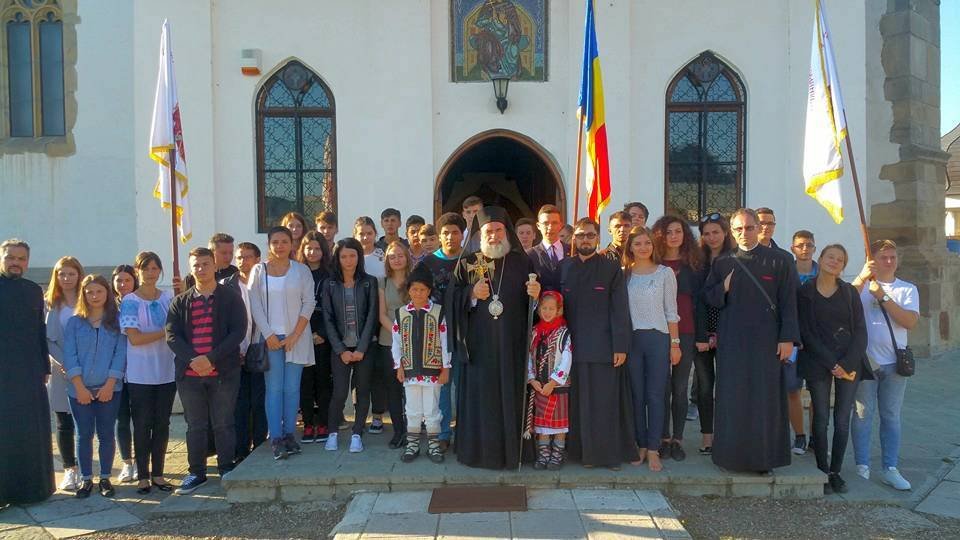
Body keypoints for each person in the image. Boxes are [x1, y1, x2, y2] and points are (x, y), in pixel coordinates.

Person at [702, 208, 799, 473]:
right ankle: (730, 458)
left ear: (758, 228)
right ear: (731, 232)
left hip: (768, 341)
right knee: (732, 398)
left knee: (764, 400)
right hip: (732, 340)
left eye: (749, 227)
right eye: (738, 229)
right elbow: (708, 297)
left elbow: (789, 302)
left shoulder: (780, 260)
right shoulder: (723, 262)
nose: (744, 233)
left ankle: (763, 460)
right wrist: (723, 288)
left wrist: (788, 338)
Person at [447, 207, 541, 469]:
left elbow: (536, 307)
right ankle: (478, 453)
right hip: (479, 347)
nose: (494, 235)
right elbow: (451, 299)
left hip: (512, 344)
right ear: (480, 234)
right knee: (482, 399)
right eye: (489, 231)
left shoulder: (522, 262)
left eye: (499, 230)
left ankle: (512, 453)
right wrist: (471, 294)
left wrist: (536, 294)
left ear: (506, 232)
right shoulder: (468, 262)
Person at [166, 247, 247, 494]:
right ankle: (196, 472)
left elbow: (238, 331)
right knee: (196, 425)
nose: (201, 269)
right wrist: (194, 359)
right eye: (196, 265)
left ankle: (226, 467)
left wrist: (210, 358)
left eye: (205, 264)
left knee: (223, 423)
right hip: (190, 376)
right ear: (191, 269)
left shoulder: (230, 297)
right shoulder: (180, 301)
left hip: (223, 372)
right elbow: (171, 335)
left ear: (214, 265)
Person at [561, 218, 636, 469]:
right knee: (578, 405)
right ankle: (581, 454)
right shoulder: (564, 267)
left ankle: (606, 456)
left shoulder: (611, 268)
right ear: (574, 238)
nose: (585, 239)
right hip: (570, 350)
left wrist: (621, 346)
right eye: (581, 235)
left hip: (604, 349)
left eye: (590, 235)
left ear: (598, 237)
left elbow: (620, 309)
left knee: (604, 404)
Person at [797, 244, 868, 494]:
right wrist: (831, 363)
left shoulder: (849, 292)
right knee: (821, 418)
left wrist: (845, 363)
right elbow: (806, 331)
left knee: (842, 419)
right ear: (821, 258)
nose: (834, 261)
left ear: (843, 266)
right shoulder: (805, 291)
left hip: (849, 363)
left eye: (840, 259)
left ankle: (835, 472)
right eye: (830, 257)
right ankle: (822, 470)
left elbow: (860, 331)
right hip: (818, 361)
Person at [850, 239, 919, 491]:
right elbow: (843, 301)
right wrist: (862, 278)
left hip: (895, 364)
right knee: (862, 415)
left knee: (891, 416)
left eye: (892, 257)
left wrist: (882, 296)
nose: (889, 261)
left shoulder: (907, 289)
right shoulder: (862, 286)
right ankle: (862, 466)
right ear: (873, 260)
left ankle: (890, 468)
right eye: (883, 257)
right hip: (866, 362)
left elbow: (909, 321)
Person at [248, 226, 317, 460]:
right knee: (274, 388)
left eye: (284, 242)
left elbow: (309, 302)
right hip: (270, 339)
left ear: (291, 244)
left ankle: (289, 435)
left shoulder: (301, 271)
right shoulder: (259, 270)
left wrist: (295, 335)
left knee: (292, 388)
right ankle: (276, 438)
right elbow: (254, 303)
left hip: (296, 337)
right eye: (275, 242)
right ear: (269, 244)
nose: (280, 246)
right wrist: (268, 334)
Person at [0, 239, 55, 505]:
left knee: (30, 432)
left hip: (30, 372)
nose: (16, 263)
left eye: (21, 259)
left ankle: (32, 490)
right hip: (2, 374)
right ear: (2, 258)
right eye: (11, 257)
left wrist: (45, 366)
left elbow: (39, 331)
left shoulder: (33, 291)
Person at [118, 252, 178, 494]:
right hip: (140, 372)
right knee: (142, 424)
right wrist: (166, 331)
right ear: (138, 271)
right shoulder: (131, 300)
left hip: (166, 369)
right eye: (146, 268)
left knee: (162, 423)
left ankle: (159, 474)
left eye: (154, 268)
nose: (151, 273)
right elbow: (135, 338)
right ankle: (142, 475)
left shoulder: (168, 298)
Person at [63, 274, 127, 498]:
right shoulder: (74, 322)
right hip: (79, 389)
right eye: (89, 292)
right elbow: (69, 354)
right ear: (83, 294)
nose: (94, 296)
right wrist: (79, 386)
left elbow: (120, 354)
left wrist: (110, 383)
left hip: (109, 388)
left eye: (99, 291)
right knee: (84, 434)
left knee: (106, 434)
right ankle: (86, 479)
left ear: (107, 293)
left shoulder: (116, 322)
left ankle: (105, 478)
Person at [623, 227, 679, 472]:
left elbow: (671, 311)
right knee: (636, 395)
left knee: (656, 395)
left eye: (647, 243)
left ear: (653, 245)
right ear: (630, 247)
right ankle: (641, 445)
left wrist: (675, 344)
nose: (643, 247)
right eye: (637, 243)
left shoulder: (665, 273)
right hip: (632, 341)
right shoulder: (624, 274)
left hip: (658, 339)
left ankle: (654, 448)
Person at [756, 207, 807, 455]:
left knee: (791, 389)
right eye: (761, 223)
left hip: (782, 335)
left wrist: (792, 335)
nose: (766, 227)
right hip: (755, 336)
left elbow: (793, 299)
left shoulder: (784, 258)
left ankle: (799, 436)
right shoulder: (739, 255)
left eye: (770, 223)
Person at [651, 215, 702, 461]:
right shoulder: (653, 263)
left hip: (687, 331)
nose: (673, 236)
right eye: (668, 232)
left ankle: (677, 439)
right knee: (661, 388)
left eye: (678, 231)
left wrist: (703, 334)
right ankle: (662, 437)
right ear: (660, 235)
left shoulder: (694, 264)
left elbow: (700, 303)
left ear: (685, 235)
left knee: (680, 388)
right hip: (659, 332)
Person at [414, 212, 466, 451]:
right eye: (446, 233)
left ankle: (465, 432)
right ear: (439, 235)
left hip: (465, 333)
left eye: (455, 232)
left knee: (465, 385)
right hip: (436, 334)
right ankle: (443, 433)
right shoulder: (427, 263)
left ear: (462, 235)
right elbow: (417, 294)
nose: (450, 237)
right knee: (441, 386)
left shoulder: (472, 261)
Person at [322, 238, 379, 453]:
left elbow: (372, 316)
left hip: (365, 348)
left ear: (359, 257)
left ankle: (357, 433)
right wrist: (341, 350)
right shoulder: (330, 284)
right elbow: (327, 318)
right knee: (339, 393)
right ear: (337, 258)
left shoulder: (369, 282)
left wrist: (362, 348)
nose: (348, 260)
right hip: (341, 350)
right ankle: (332, 433)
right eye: (344, 256)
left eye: (352, 255)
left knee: (363, 391)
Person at [394, 265, 451, 463]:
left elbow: (445, 342)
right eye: (414, 289)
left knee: (432, 409)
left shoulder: (438, 313)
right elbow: (397, 343)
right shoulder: (401, 314)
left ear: (429, 291)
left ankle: (434, 446)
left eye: (423, 289)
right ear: (408, 290)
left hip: (433, 371)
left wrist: (445, 367)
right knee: (412, 409)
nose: (418, 293)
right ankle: (413, 445)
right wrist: (399, 366)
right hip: (410, 370)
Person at [693, 213, 735, 455]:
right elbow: (697, 300)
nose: (711, 237)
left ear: (726, 233)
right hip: (702, 332)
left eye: (716, 232)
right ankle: (707, 436)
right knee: (705, 387)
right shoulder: (697, 261)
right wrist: (700, 336)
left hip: (729, 331)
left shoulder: (736, 259)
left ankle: (727, 435)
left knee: (728, 386)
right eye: (706, 233)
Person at [222, 242, 268, 460]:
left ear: (257, 260)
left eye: (248, 257)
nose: (243, 261)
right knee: (239, 404)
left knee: (259, 402)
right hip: (234, 355)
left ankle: (260, 446)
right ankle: (240, 450)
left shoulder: (266, 284)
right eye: (239, 257)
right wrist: (232, 349)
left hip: (260, 351)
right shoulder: (225, 286)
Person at [45, 257, 85, 491]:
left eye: (71, 274)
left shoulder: (87, 299)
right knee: (64, 421)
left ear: (79, 275)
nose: (67, 278)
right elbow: (48, 339)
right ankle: (70, 468)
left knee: (86, 421)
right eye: (62, 274)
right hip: (61, 369)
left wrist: (81, 365)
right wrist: (67, 364)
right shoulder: (50, 303)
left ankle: (87, 468)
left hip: (88, 368)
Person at [524, 291, 572, 470]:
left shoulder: (563, 333)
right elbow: (529, 357)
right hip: (539, 386)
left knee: (559, 426)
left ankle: (557, 455)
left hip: (556, 387)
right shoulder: (535, 332)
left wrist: (553, 382)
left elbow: (567, 358)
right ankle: (543, 454)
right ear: (538, 310)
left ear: (559, 310)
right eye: (544, 308)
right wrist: (531, 379)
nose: (547, 312)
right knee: (542, 425)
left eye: (551, 308)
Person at [295, 231, 333, 445]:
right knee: (305, 381)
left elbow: (334, 309)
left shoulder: (330, 274)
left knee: (323, 381)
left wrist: (323, 334)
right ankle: (308, 423)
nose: (313, 252)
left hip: (323, 335)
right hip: (300, 333)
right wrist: (303, 333)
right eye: (308, 248)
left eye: (317, 248)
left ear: (323, 250)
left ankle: (324, 423)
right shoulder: (296, 273)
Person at [376, 241, 411, 448]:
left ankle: (413, 429)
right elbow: (382, 314)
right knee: (393, 388)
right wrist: (399, 334)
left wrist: (408, 335)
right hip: (389, 341)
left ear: (407, 257)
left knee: (412, 388)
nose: (396, 259)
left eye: (400, 255)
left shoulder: (415, 279)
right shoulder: (382, 282)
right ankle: (399, 431)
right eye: (392, 256)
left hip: (414, 341)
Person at [111, 264, 138, 482]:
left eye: (127, 280)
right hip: (116, 371)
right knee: (121, 419)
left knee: (140, 418)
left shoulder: (139, 301)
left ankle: (140, 460)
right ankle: (127, 462)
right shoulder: (108, 306)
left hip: (139, 369)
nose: (123, 284)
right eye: (119, 280)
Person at [527, 204, 568, 292]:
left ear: (561, 225)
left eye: (554, 223)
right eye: (545, 223)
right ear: (538, 226)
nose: (550, 227)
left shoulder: (572, 251)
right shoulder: (530, 255)